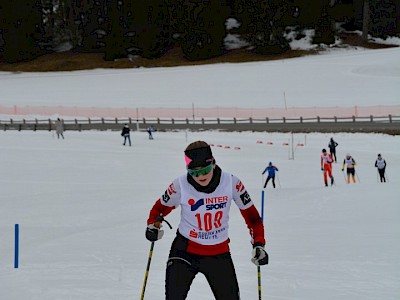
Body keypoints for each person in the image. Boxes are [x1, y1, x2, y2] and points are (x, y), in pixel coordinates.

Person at [145, 140, 268, 300]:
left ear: (213, 164)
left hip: (218, 253)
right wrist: (152, 225)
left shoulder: (231, 183)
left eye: (205, 170)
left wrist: (259, 243)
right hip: (184, 250)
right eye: (194, 173)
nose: (200, 176)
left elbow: (252, 218)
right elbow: (159, 209)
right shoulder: (180, 185)